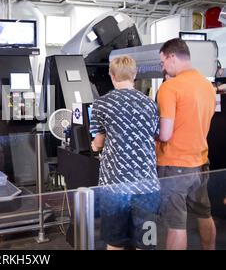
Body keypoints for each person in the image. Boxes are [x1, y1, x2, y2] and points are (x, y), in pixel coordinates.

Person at [90, 55, 160, 250]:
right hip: (146, 184)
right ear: (135, 74)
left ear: (112, 76)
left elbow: (99, 141)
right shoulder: (150, 104)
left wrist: (95, 146)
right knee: (147, 242)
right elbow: (156, 135)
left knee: (114, 242)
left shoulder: (101, 104)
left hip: (114, 185)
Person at [157, 38, 216, 250]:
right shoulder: (208, 86)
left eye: (163, 62)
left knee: (176, 224)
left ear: (172, 57)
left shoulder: (170, 88)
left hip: (175, 164)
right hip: (201, 161)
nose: (162, 66)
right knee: (204, 213)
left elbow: (165, 134)